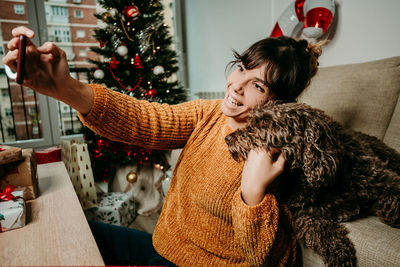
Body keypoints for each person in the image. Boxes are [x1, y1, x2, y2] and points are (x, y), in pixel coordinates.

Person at [3, 26, 322, 266]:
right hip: (162, 248)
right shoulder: (208, 113)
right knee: (70, 232)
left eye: (257, 85)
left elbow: (273, 258)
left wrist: (253, 194)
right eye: (242, 67)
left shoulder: (280, 153)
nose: (236, 84)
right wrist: (65, 87)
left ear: (278, 102)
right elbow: (146, 119)